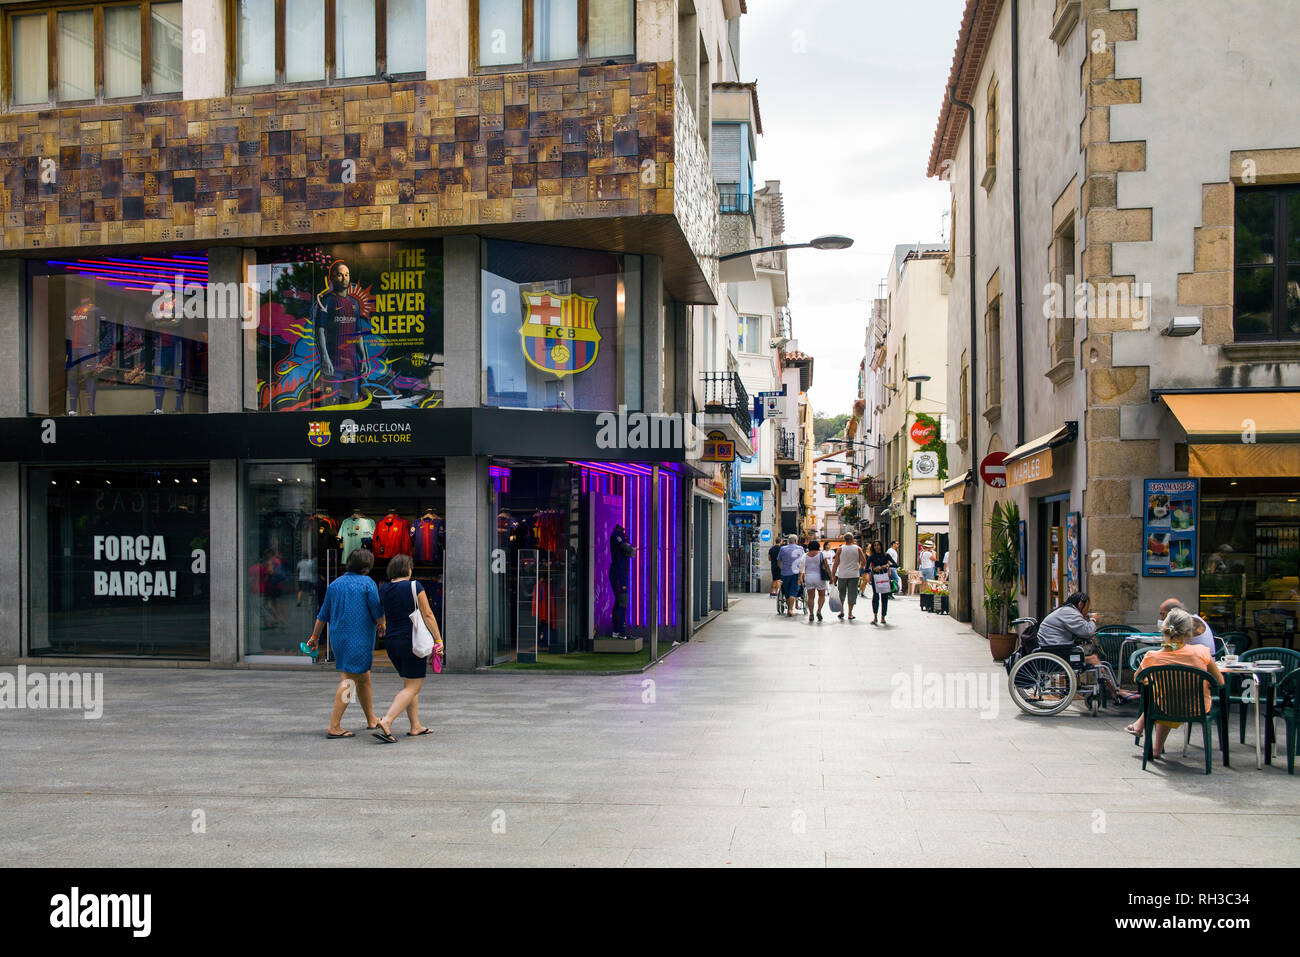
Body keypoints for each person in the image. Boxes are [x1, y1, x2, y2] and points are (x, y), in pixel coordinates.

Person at [307, 548, 386, 738]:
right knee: (349, 679)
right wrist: (382, 624)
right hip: (358, 637)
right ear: (367, 566)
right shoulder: (367, 583)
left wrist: (315, 637)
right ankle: (334, 726)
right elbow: (376, 611)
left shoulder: (335, 584)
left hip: (338, 637)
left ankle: (371, 719)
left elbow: (323, 615)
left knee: (363, 676)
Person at [1126, 607, 1224, 757]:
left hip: (1164, 708)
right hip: (1198, 708)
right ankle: (1155, 745)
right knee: (1176, 695)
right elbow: (1220, 681)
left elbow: (1138, 678)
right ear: (1187, 633)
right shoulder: (1202, 651)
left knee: (1165, 695)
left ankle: (1155, 746)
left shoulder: (1151, 657)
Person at [372, 554, 444, 743]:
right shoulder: (414, 586)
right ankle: (387, 720)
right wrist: (438, 639)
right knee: (413, 686)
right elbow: (427, 614)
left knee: (409, 684)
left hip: (392, 642)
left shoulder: (384, 589)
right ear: (408, 569)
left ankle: (415, 726)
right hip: (411, 641)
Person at [1036, 591, 1138, 704]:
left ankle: (1116, 691)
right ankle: (1116, 692)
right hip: (1057, 651)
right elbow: (1087, 631)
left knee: (1101, 662)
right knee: (1095, 660)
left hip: (1055, 648)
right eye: (1087, 608)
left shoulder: (1066, 611)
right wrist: (1093, 619)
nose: (1087, 612)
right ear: (1080, 604)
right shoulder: (1070, 613)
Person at [798, 540, 832, 622]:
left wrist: (800, 577)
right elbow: (827, 567)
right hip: (820, 577)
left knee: (811, 597)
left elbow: (801, 569)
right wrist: (831, 577)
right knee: (821, 595)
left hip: (809, 577)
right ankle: (819, 610)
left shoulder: (804, 556)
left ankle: (811, 614)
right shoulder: (822, 554)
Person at [833, 533, 864, 621]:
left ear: (844, 539)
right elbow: (864, 561)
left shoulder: (840, 549)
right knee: (852, 593)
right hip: (854, 574)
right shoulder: (858, 548)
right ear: (853, 539)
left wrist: (833, 575)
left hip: (842, 574)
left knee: (841, 593)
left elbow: (836, 563)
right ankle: (850, 613)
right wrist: (859, 568)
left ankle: (842, 610)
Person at [867, 540, 896, 625]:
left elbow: (895, 564)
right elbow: (866, 568)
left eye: (878, 545)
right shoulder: (871, 557)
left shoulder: (886, 555)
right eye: (875, 545)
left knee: (884, 597)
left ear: (881, 546)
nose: (876, 547)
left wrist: (886, 566)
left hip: (884, 577)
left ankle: (883, 617)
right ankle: (875, 616)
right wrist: (873, 569)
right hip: (875, 577)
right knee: (875, 597)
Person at [776, 534, 805, 618]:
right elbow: (803, 561)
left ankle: (789, 607)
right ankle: (790, 610)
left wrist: (783, 568)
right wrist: (802, 574)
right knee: (793, 591)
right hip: (796, 573)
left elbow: (779, 561)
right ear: (796, 541)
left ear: (788, 541)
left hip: (785, 573)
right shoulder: (800, 549)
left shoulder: (783, 549)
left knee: (787, 590)